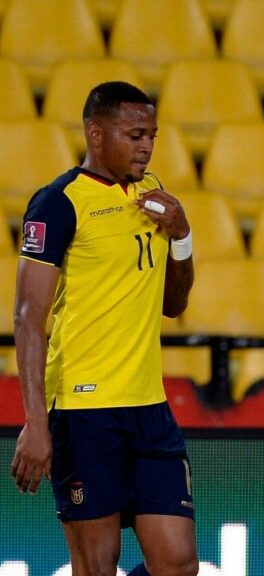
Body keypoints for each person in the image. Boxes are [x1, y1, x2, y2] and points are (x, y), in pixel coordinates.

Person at [9, 81, 198, 576]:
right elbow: (29, 319)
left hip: (148, 409)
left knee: (178, 564)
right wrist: (35, 421)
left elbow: (174, 305)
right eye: (134, 134)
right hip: (83, 411)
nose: (146, 145)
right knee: (97, 565)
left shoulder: (153, 197)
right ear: (96, 133)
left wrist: (182, 237)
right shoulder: (60, 202)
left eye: (152, 135)